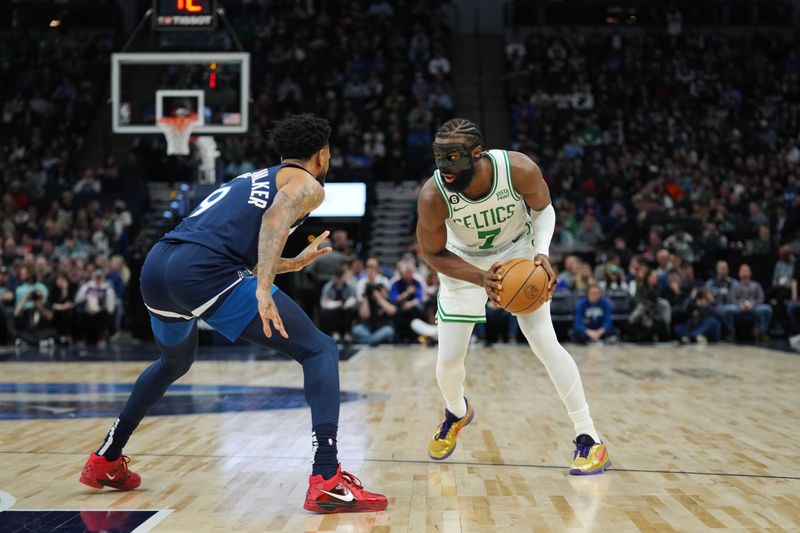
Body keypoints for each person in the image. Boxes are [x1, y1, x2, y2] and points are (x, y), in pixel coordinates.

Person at [79, 114, 386, 513]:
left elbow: (239, 247)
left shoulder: (250, 180)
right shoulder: (307, 184)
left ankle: (106, 457)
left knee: (174, 362)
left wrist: (290, 264)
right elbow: (274, 221)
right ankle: (326, 477)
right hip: (204, 272)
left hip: (158, 267)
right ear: (322, 155)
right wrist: (262, 290)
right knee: (320, 350)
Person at [415, 118, 610, 475]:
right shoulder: (433, 195)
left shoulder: (518, 169)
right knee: (447, 363)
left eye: (453, 157)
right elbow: (432, 253)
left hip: (518, 255)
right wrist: (479, 278)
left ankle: (590, 439)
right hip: (464, 264)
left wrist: (543, 252)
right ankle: (457, 412)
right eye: (438, 156)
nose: (443, 167)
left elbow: (543, 209)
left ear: (477, 153)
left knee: (545, 343)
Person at [722, 263, 772, 341]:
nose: (744, 272)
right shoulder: (735, 285)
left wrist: (752, 305)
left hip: (754, 309)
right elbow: (732, 299)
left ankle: (762, 332)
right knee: (727, 309)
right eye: (742, 271)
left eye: (746, 271)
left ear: (750, 273)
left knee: (767, 309)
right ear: (739, 273)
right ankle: (731, 332)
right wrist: (740, 305)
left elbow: (761, 298)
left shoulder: (756, 285)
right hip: (739, 309)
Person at [319, 264, 358, 342]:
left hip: (345, 310)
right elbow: (323, 303)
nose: (339, 280)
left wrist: (345, 304)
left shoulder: (350, 286)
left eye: (341, 277)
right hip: (334, 311)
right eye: (337, 277)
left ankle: (348, 333)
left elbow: (354, 299)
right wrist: (335, 304)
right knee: (325, 312)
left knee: (352, 309)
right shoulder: (328, 287)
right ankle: (334, 332)